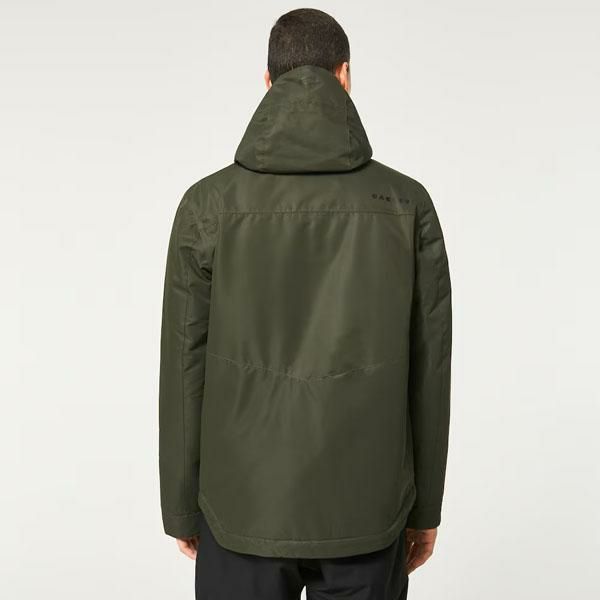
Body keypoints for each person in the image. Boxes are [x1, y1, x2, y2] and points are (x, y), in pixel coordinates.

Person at [159, 8, 452, 599]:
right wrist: (425, 508)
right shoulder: (406, 204)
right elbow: (430, 369)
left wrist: (182, 506)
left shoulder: (207, 205)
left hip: (240, 509)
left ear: (268, 81)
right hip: (368, 510)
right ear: (345, 75)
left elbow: (183, 366)